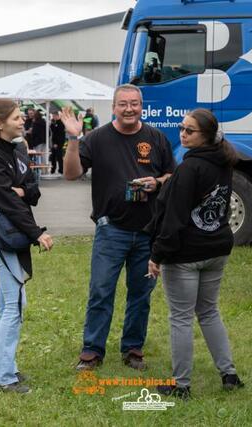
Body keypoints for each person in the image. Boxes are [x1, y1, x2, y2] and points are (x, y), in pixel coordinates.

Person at [61, 84, 175, 371]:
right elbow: (71, 174)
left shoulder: (156, 138)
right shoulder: (97, 139)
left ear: (141, 106)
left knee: (141, 294)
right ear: (113, 107)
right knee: (101, 290)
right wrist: (74, 139)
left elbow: (171, 174)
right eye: (123, 104)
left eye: (134, 104)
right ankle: (92, 351)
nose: (129, 109)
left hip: (147, 231)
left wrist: (157, 182)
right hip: (111, 230)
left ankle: (133, 349)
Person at [145, 108, 242, 399]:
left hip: (187, 254)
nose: (182, 134)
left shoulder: (190, 168)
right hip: (217, 248)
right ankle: (229, 374)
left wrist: (157, 255)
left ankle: (181, 384)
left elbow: (173, 217)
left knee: (181, 318)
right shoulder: (223, 162)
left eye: (189, 130)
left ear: (207, 135)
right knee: (209, 311)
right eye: (181, 128)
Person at [0, 99, 53, 394]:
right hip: (1, 237)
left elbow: (33, 191)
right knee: (13, 306)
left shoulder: (17, 150)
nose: (23, 121)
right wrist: (36, 233)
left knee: (9, 304)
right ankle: (0, 378)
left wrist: (21, 190)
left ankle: (5, 368)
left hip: (15, 233)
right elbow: (5, 200)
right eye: (17, 118)